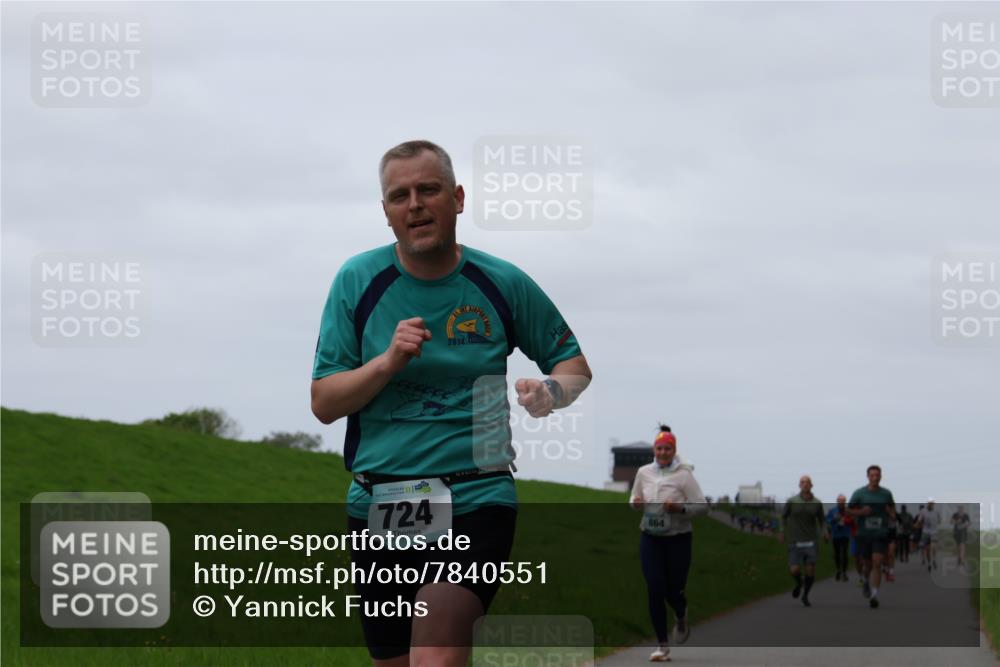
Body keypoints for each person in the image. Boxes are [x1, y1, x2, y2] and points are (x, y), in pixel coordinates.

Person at [310, 140, 592, 667]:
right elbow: (324, 402)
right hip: (379, 503)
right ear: (387, 213)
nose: (414, 204)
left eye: (428, 190)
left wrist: (550, 393)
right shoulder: (358, 281)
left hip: (475, 493)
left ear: (458, 199)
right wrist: (387, 363)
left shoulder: (500, 283)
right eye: (400, 196)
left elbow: (574, 367)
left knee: (435, 657)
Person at [630, 425, 708, 662]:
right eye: (659, 448)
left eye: (668, 449)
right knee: (655, 588)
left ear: (674, 451)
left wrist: (680, 508)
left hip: (678, 539)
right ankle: (662, 645)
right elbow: (633, 499)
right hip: (650, 538)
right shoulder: (644, 472)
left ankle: (681, 612)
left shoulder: (684, 476)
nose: (663, 452)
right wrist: (637, 502)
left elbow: (702, 507)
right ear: (654, 450)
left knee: (674, 590)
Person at [848, 465, 896, 609]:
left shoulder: (886, 494)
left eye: (877, 475)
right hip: (864, 535)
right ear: (868, 477)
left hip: (880, 534)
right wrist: (861, 512)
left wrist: (889, 512)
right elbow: (848, 511)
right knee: (867, 565)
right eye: (872, 475)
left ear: (881, 476)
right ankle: (865, 580)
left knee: (877, 562)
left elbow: (894, 514)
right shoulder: (859, 493)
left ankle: (874, 595)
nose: (875, 478)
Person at [780, 475, 828, 606]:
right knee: (794, 569)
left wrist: (825, 531)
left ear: (811, 485)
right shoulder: (792, 501)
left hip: (811, 541)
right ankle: (799, 583)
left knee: (810, 570)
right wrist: (782, 531)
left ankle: (805, 596)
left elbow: (822, 520)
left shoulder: (817, 503)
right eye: (802, 482)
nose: (805, 484)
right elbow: (783, 517)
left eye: (807, 482)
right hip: (795, 541)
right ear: (799, 485)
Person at [826, 494, 852, 581]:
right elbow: (827, 520)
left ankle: (844, 572)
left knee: (844, 554)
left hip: (845, 534)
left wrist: (847, 521)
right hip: (836, 534)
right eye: (840, 501)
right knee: (836, 554)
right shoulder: (833, 511)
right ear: (837, 501)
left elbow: (853, 521)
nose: (841, 502)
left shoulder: (848, 511)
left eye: (843, 501)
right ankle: (838, 570)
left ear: (845, 502)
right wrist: (834, 519)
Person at [915, 499, 942, 573]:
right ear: (927, 504)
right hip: (925, 532)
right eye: (929, 503)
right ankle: (929, 563)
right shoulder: (923, 511)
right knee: (927, 548)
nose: (931, 505)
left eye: (932, 504)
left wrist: (935, 523)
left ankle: (934, 559)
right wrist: (916, 525)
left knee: (933, 547)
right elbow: (919, 520)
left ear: (934, 504)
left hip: (934, 532)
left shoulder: (937, 511)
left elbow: (939, 521)